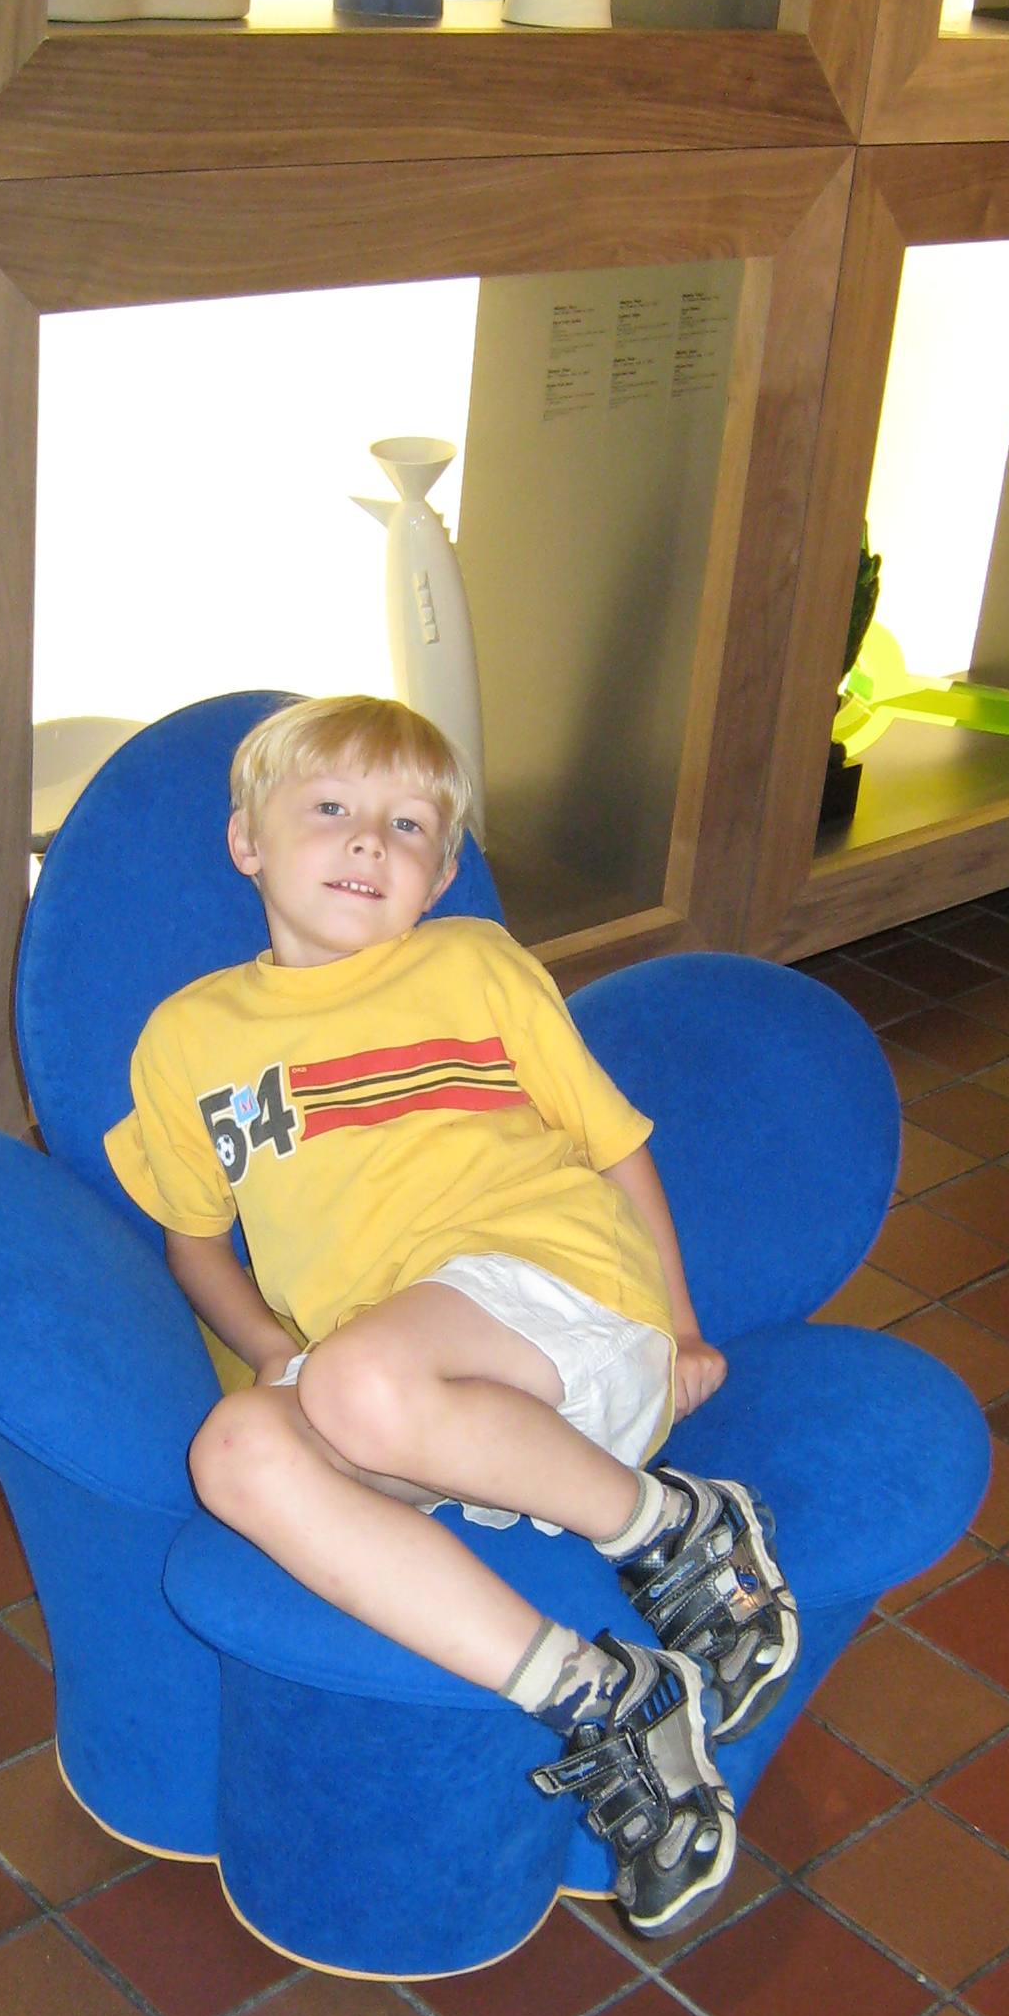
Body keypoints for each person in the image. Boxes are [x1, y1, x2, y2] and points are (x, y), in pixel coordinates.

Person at [105, 695, 799, 1936]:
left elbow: (616, 1144)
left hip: (560, 1306)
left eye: (409, 826)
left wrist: (682, 1325)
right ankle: (603, 1700)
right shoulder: (188, 1039)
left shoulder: (472, 964)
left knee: (358, 1384)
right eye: (332, 809)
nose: (368, 842)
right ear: (248, 841)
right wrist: (270, 1350)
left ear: (438, 877)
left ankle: (676, 1530)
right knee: (237, 1453)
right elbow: (194, 1241)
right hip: (406, 1398)